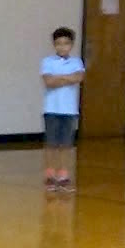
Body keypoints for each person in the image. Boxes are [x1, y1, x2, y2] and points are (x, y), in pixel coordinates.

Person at [40, 27, 85, 193]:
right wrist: (68, 78)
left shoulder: (77, 62)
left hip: (69, 110)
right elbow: (49, 82)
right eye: (58, 43)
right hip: (51, 109)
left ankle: (63, 175)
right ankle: (50, 175)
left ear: (71, 45)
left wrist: (59, 77)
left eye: (65, 43)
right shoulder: (47, 61)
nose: (62, 46)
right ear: (54, 44)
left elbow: (79, 77)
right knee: (51, 143)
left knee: (66, 144)